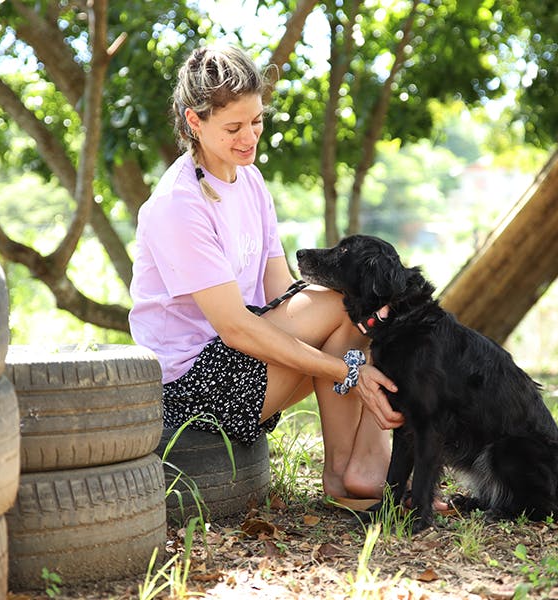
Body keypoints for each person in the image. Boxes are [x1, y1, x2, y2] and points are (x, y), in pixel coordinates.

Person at [128, 44, 402, 504]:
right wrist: (347, 369)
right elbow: (235, 327)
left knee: (351, 309)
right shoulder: (177, 205)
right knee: (340, 312)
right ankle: (350, 472)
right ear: (195, 122)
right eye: (233, 127)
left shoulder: (250, 180)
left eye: (256, 121)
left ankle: (351, 473)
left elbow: (282, 294)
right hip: (190, 386)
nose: (249, 137)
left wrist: (360, 348)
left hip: (241, 359)